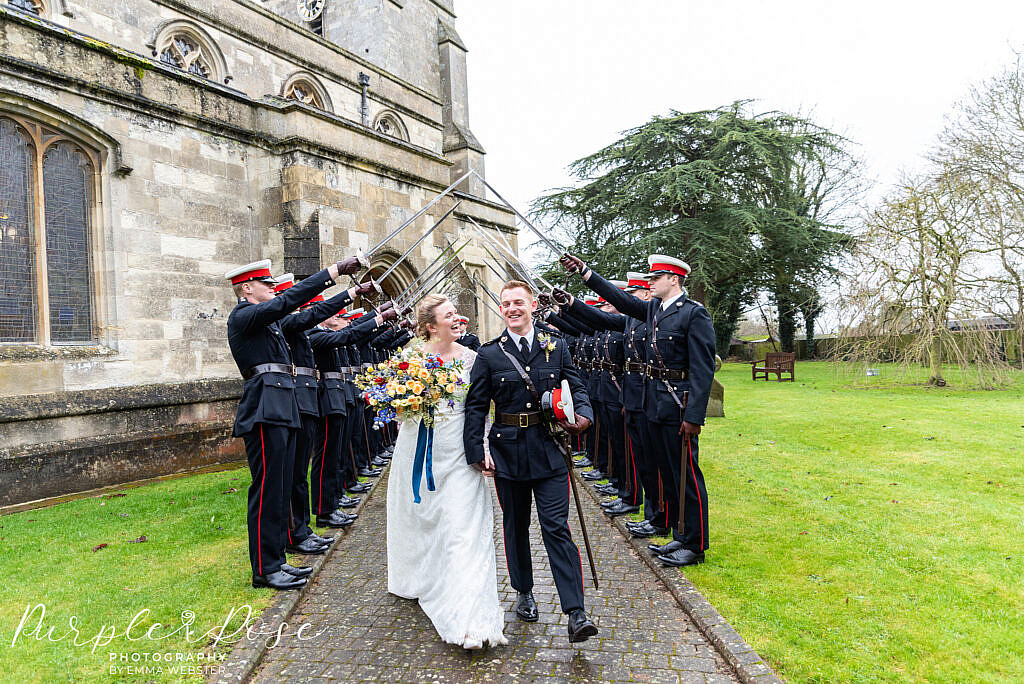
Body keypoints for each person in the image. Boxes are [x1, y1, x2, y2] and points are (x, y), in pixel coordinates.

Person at [463, 280, 599, 644]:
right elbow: (475, 406)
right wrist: (476, 451)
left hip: (549, 448)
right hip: (507, 454)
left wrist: (583, 415)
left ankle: (576, 611)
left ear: (533, 305)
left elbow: (578, 387)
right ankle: (523, 591)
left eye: (518, 302)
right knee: (515, 526)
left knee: (556, 527)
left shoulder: (556, 346)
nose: (511, 309)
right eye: (506, 304)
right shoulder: (490, 355)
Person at [560, 253, 716, 567]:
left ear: (674, 279)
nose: (650, 282)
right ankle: (679, 534)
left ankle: (695, 544)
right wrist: (586, 274)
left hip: (676, 404)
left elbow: (703, 369)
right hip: (653, 404)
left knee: (686, 476)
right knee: (666, 473)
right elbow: (617, 302)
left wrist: (694, 416)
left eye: (656, 278)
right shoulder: (655, 311)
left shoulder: (693, 314)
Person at [225, 256, 361, 590]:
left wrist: (347, 296)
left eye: (273, 284)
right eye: (266, 284)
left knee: (283, 485)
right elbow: (292, 302)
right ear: (246, 288)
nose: (273, 289)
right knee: (268, 489)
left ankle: (277, 558)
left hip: (282, 408)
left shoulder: (268, 322)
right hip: (265, 411)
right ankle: (265, 568)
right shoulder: (244, 316)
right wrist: (333, 274)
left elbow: (305, 314)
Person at [386, 294, 508, 650]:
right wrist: (406, 400)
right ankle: (421, 576)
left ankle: (470, 619)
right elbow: (395, 406)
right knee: (421, 518)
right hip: (417, 448)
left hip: (460, 453)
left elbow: (480, 408)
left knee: (462, 530)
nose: (458, 319)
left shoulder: (474, 358)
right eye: (449, 315)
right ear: (429, 326)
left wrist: (484, 448)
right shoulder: (410, 358)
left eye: (457, 313)